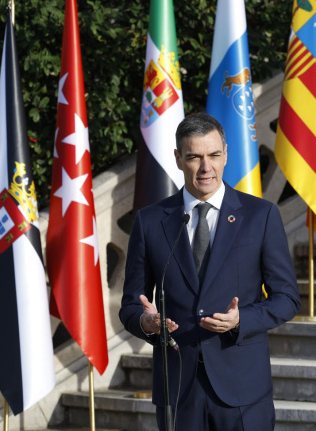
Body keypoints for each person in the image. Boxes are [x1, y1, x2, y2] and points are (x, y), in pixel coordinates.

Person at [119, 113, 300, 431]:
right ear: (178, 158)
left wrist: (242, 319)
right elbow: (132, 305)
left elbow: (287, 299)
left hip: (243, 387)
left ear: (226, 154)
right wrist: (146, 322)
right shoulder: (150, 222)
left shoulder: (261, 215)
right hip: (178, 388)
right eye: (194, 157)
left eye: (214, 155)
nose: (206, 168)